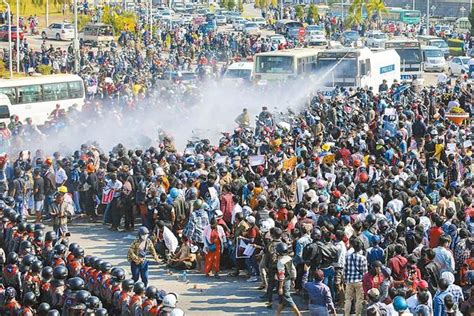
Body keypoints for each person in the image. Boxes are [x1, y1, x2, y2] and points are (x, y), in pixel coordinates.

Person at [275, 242, 300, 316]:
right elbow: (293, 269)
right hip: (289, 279)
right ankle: (277, 314)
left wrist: (280, 288)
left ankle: (298, 313)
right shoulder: (289, 258)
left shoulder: (280, 262)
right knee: (281, 300)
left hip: (283, 282)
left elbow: (281, 276)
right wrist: (293, 279)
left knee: (287, 297)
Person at [344, 238, 367, 316]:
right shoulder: (363, 258)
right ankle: (358, 314)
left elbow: (345, 270)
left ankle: (346, 314)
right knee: (359, 300)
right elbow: (365, 272)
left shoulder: (348, 257)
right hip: (359, 281)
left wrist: (345, 279)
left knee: (348, 299)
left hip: (349, 280)